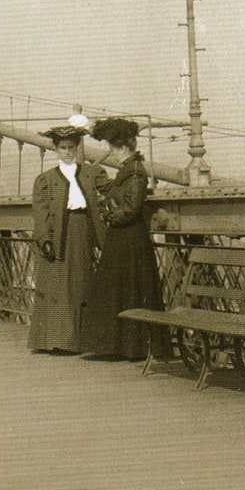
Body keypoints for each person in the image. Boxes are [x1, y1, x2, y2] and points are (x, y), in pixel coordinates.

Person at [82, 117, 172, 361]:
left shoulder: (134, 173)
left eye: (112, 147)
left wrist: (108, 214)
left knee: (127, 288)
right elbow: (120, 198)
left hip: (129, 239)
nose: (111, 153)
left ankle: (130, 347)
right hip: (125, 239)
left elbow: (130, 208)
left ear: (121, 147)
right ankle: (125, 346)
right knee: (125, 289)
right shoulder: (129, 171)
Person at [29, 125, 108, 354]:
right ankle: (57, 341)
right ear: (56, 149)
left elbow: (111, 191)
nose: (67, 152)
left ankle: (79, 340)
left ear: (77, 148)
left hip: (82, 231)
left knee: (80, 284)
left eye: (71, 147)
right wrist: (44, 239)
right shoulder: (45, 180)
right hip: (57, 236)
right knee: (57, 289)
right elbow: (40, 212)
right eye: (62, 148)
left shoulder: (91, 173)